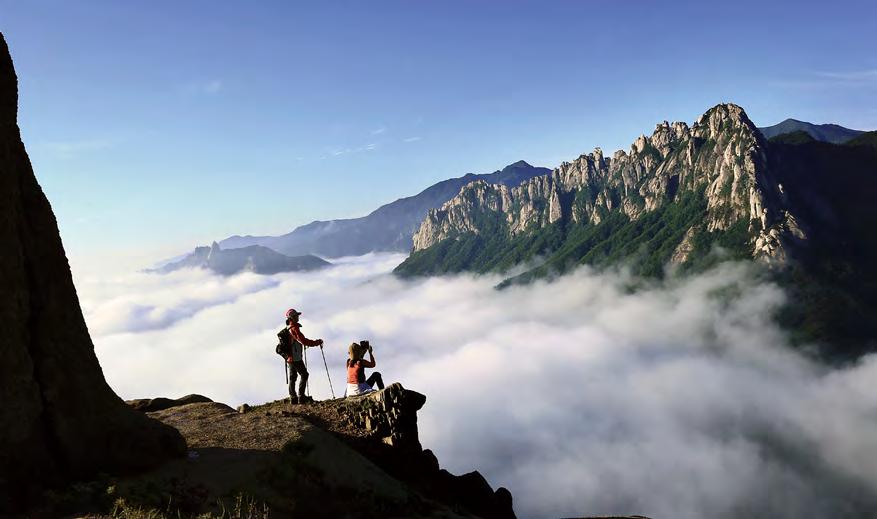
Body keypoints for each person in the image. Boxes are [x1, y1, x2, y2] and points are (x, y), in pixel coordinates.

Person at [281, 308, 323, 404]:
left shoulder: (288, 328)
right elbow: (303, 341)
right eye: (296, 316)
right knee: (304, 374)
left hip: (289, 357)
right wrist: (317, 342)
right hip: (296, 357)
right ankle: (301, 396)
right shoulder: (294, 328)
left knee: (293, 377)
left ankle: (293, 398)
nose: (298, 317)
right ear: (292, 318)